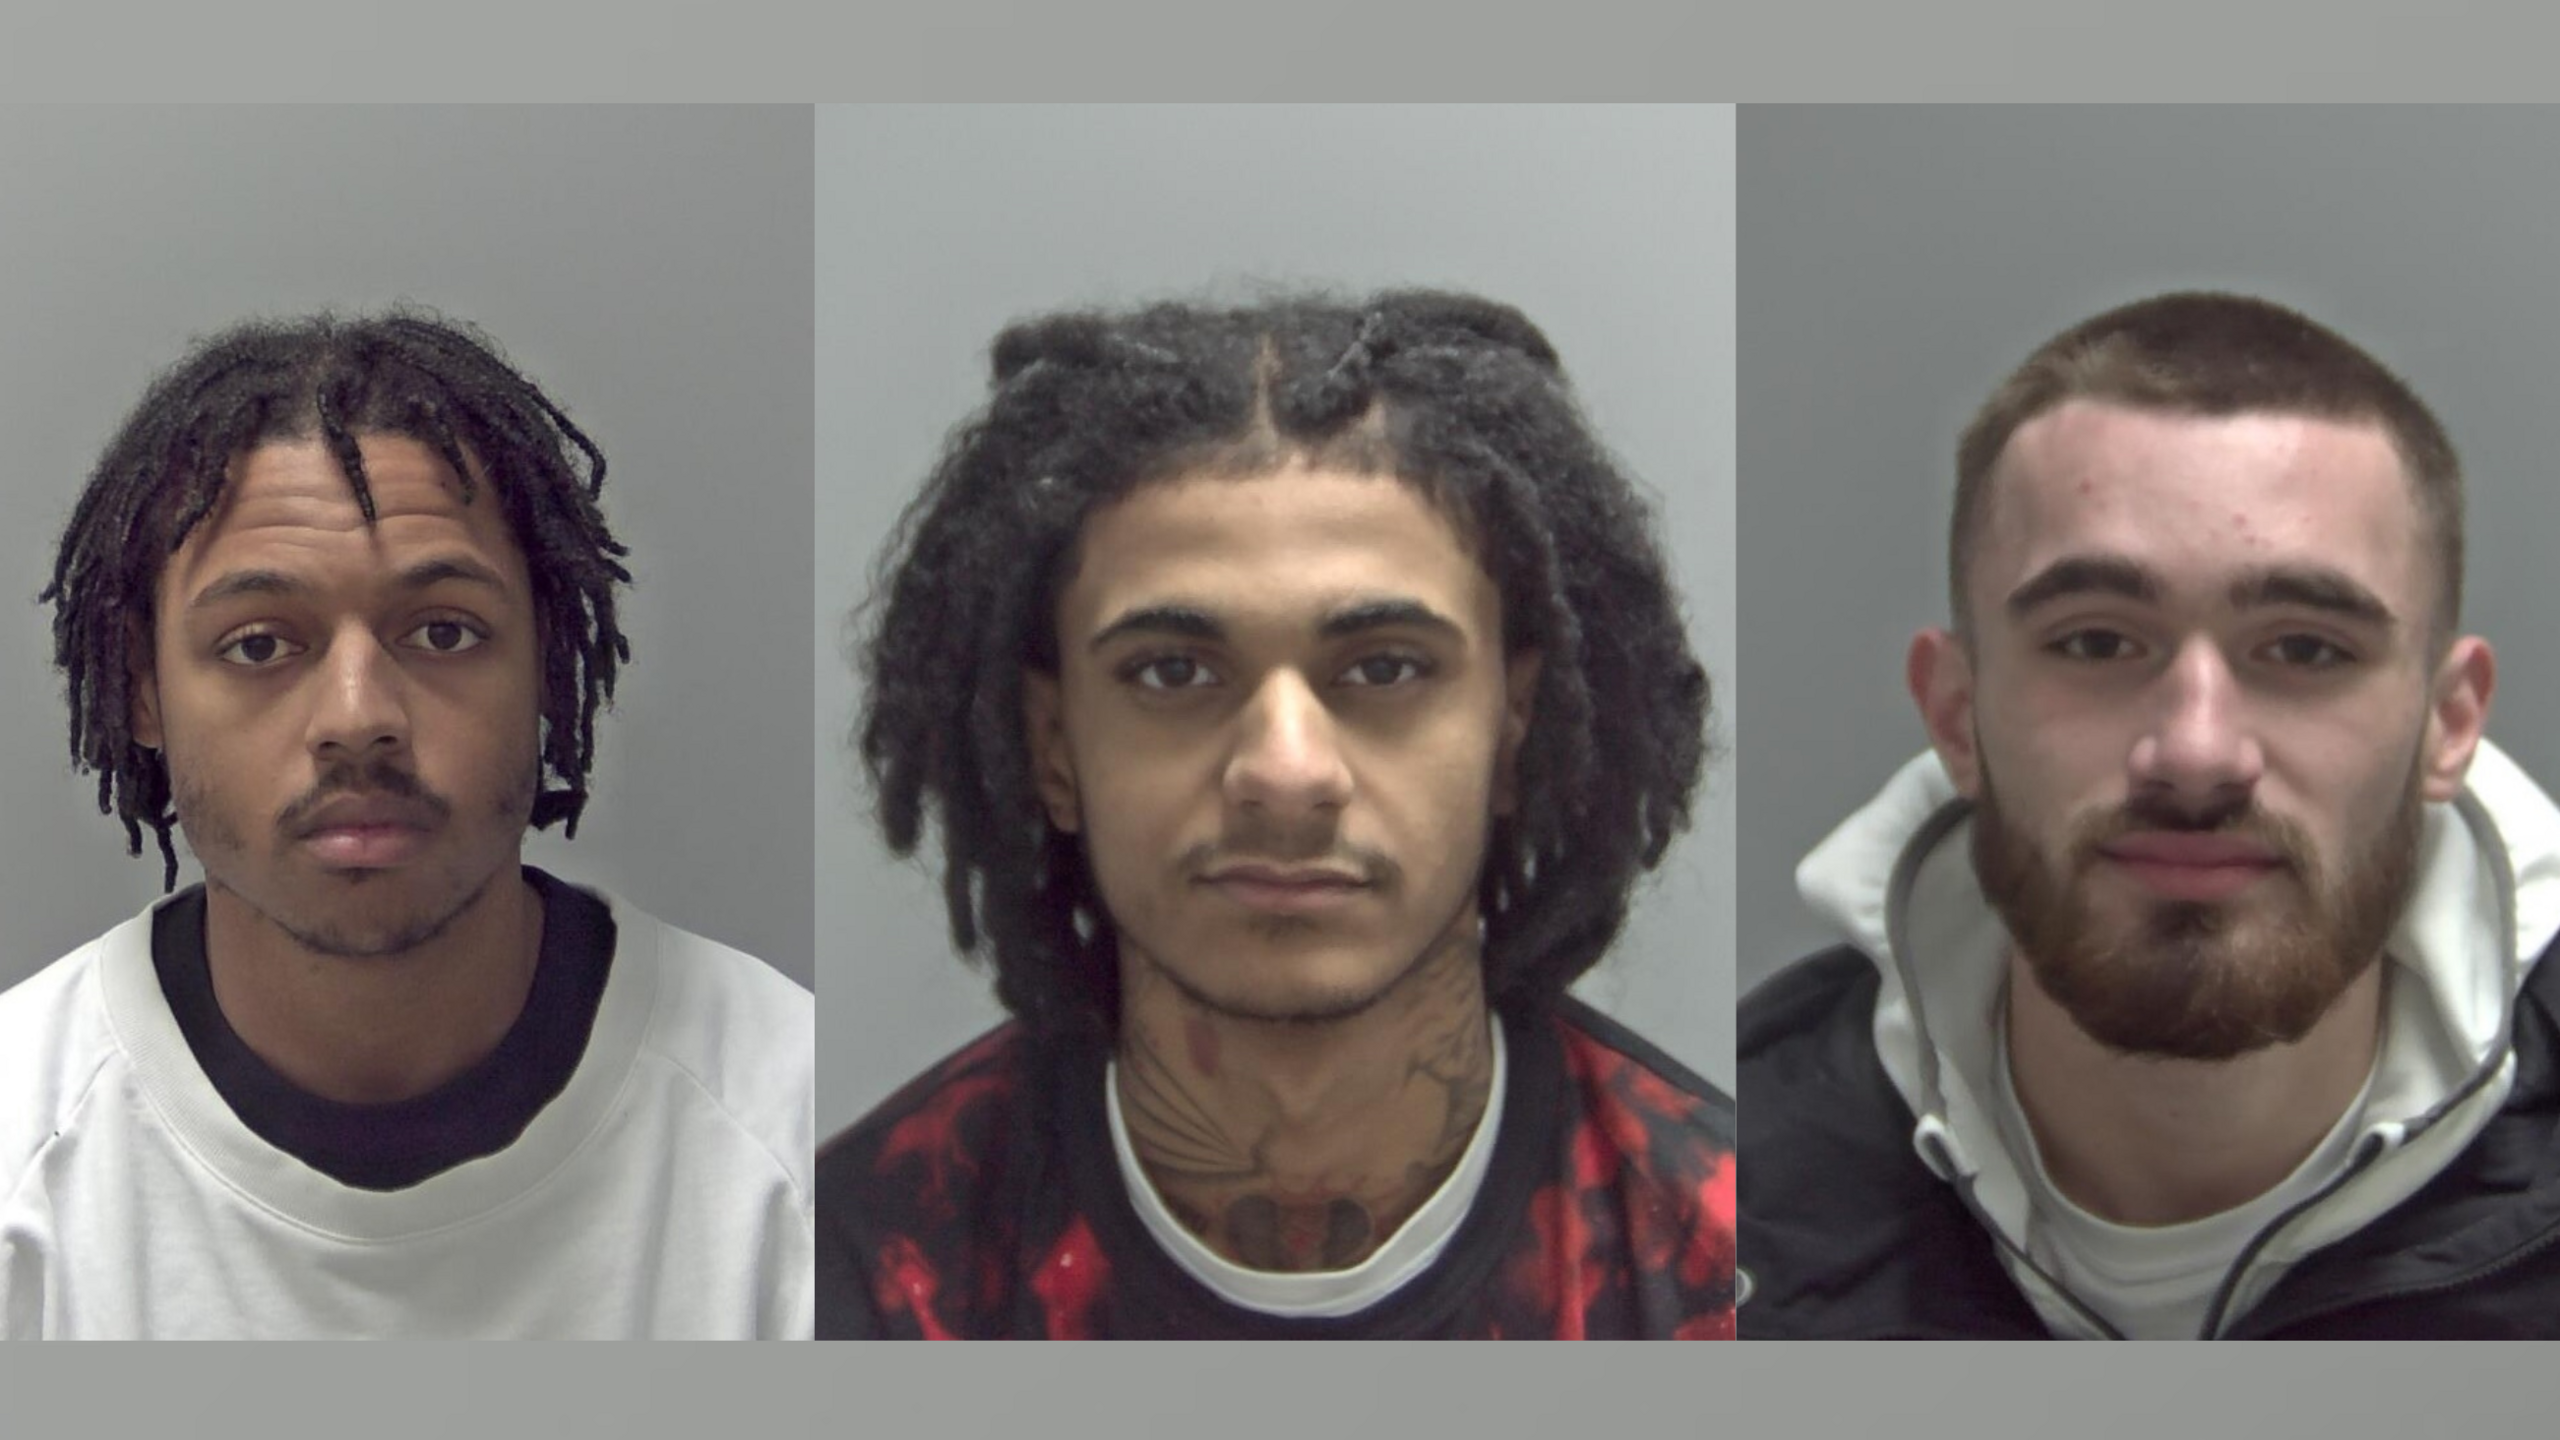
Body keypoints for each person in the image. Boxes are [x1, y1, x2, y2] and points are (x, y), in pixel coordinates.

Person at [815, 291, 1735, 1339]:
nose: (1286, 773)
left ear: (1514, 730)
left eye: (1385, 668)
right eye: (1171, 672)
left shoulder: (1724, 1263)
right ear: (1053, 745)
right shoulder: (854, 1273)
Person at [1739, 291, 2560, 1339]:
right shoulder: (1721, 1190)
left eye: (2305, 649)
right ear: (1955, 713)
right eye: (2095, 643)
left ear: (2449, 724)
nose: (2195, 753)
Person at [0, 312, 814, 1339]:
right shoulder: (23, 1153)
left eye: (442, 631)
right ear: (141, 691)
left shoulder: (797, 1141)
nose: (358, 719)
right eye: (258, 645)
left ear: (548, 670)